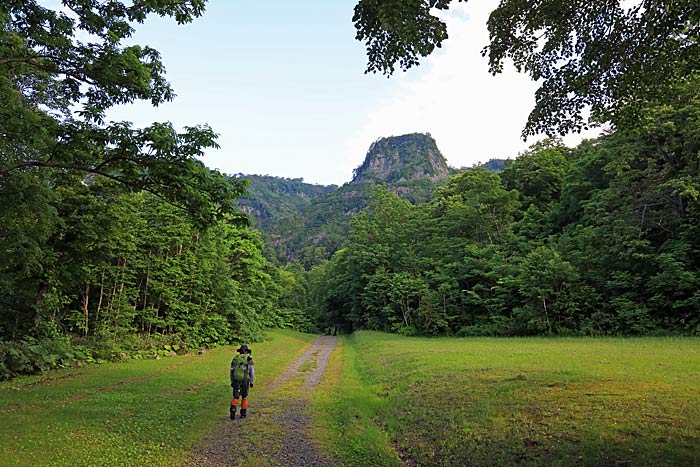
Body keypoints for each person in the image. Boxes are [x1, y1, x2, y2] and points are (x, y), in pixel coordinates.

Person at [230, 344, 254, 419]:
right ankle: (243, 413)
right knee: (244, 397)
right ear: (246, 351)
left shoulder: (235, 359)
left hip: (236, 380)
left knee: (236, 396)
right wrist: (252, 381)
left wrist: (232, 381)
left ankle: (233, 409)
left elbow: (231, 372)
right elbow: (252, 372)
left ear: (240, 351)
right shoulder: (249, 359)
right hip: (245, 380)